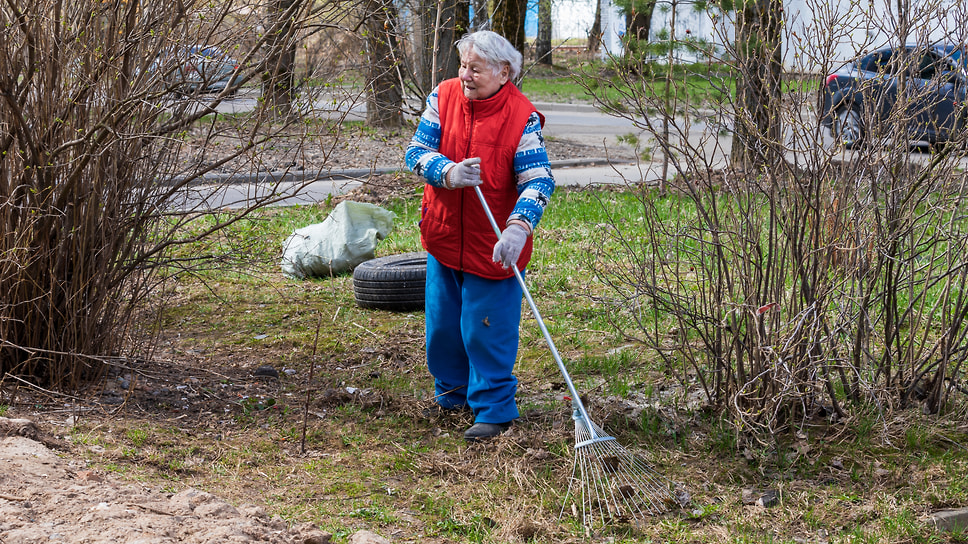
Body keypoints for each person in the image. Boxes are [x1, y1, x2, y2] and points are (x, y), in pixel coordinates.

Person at [405, 31, 556, 442]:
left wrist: (518, 227)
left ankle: (494, 410)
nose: (465, 75)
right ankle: (452, 395)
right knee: (442, 328)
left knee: (485, 328)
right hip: (443, 234)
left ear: (504, 72)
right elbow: (416, 151)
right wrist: (447, 172)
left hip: (494, 246)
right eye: (462, 66)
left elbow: (539, 179)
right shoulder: (444, 96)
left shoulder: (520, 116)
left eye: (475, 68)